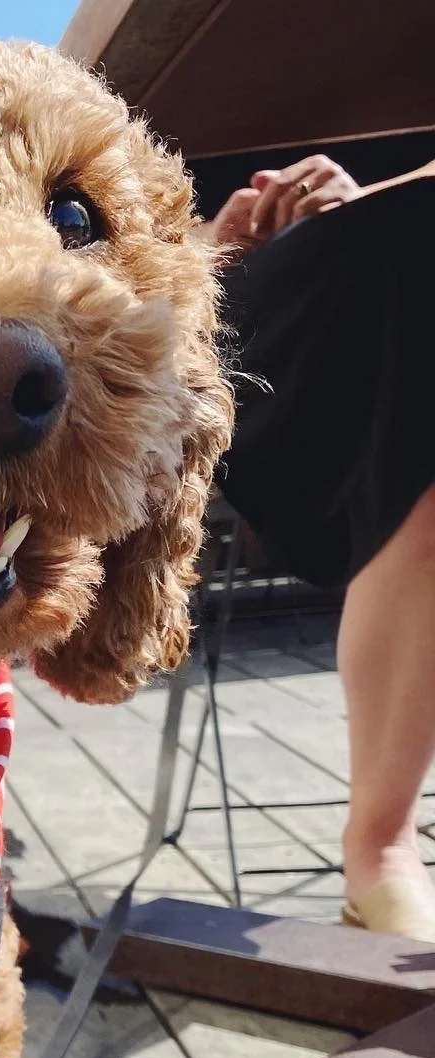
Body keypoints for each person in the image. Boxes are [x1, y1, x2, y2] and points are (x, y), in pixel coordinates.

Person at [200, 152, 435, 938]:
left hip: (370, 247)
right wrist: (197, 248)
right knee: (414, 242)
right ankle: (381, 843)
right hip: (266, 299)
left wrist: (364, 190)